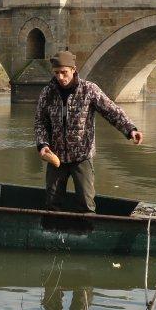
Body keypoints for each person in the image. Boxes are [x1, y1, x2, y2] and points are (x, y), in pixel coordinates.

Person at [35, 49, 143, 213]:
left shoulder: (89, 90)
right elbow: (40, 122)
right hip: (55, 157)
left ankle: (85, 233)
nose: (60, 77)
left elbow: (111, 111)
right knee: (52, 203)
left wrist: (130, 130)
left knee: (86, 203)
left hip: (82, 156)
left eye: (64, 72)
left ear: (73, 69)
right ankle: (53, 232)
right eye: (56, 73)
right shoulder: (47, 93)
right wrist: (42, 144)